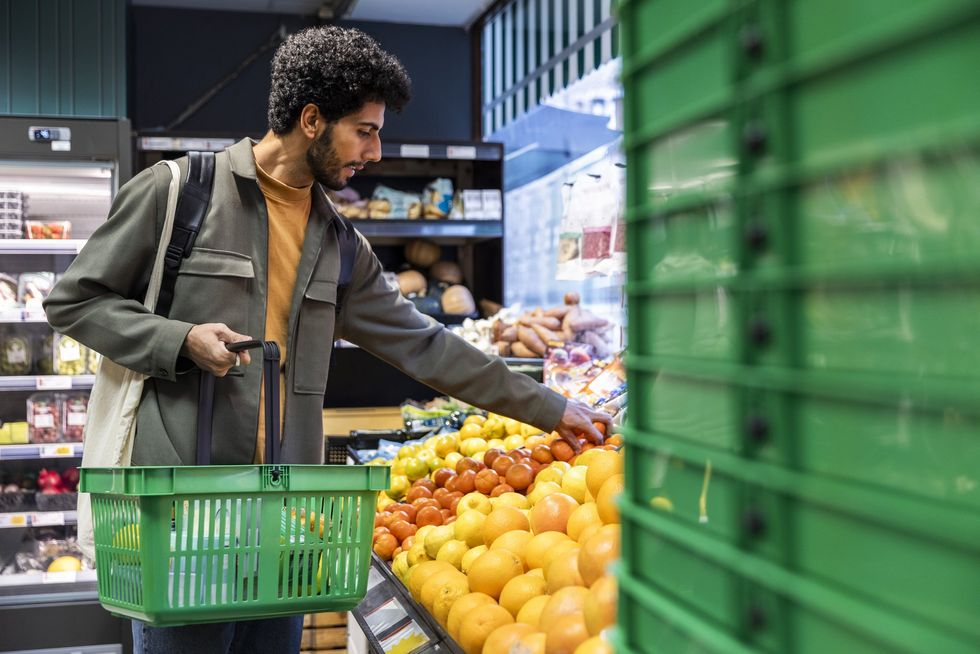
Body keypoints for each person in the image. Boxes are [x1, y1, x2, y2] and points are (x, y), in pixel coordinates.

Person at [44, 25, 609, 654]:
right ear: (312, 119)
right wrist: (179, 340)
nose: (375, 151)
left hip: (286, 527)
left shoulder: (339, 245)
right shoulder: (180, 194)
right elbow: (74, 300)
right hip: (183, 524)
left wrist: (550, 407)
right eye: (364, 131)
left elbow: (426, 344)